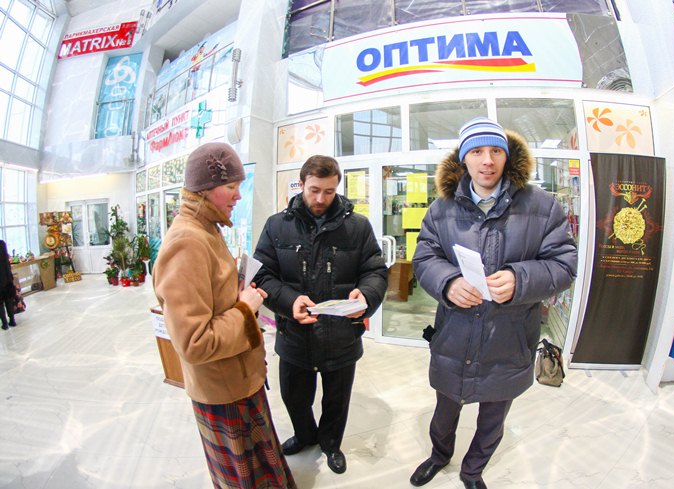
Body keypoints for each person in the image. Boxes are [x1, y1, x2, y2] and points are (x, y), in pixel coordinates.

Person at [409, 117, 578, 489]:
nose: (487, 160)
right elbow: (425, 257)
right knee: (444, 411)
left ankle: (472, 472)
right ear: (464, 159)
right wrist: (448, 281)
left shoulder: (542, 206)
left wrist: (521, 279)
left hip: (509, 339)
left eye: (496, 151)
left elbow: (565, 264)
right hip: (454, 336)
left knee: (493, 420)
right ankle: (439, 455)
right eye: (477, 152)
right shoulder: (441, 209)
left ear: (507, 156)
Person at [153, 142, 296, 489]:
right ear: (206, 187)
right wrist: (245, 308)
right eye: (231, 187)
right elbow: (193, 342)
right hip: (224, 391)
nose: (238, 196)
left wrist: (237, 291)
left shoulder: (207, 229)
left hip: (238, 378)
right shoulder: (187, 242)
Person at [253, 155, 387, 475]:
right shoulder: (277, 225)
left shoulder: (358, 227)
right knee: (294, 396)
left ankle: (330, 443)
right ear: (302, 184)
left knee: (336, 401)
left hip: (341, 335)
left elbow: (375, 271)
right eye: (314, 190)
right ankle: (304, 435)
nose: (320, 199)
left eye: (329, 191)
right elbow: (262, 275)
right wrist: (289, 301)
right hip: (294, 334)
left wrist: (366, 295)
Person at [0, 240, 17, 330]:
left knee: (0, 303)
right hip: (7, 279)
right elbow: (7, 265)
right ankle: (12, 320)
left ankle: (4, 323)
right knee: (9, 300)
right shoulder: (2, 245)